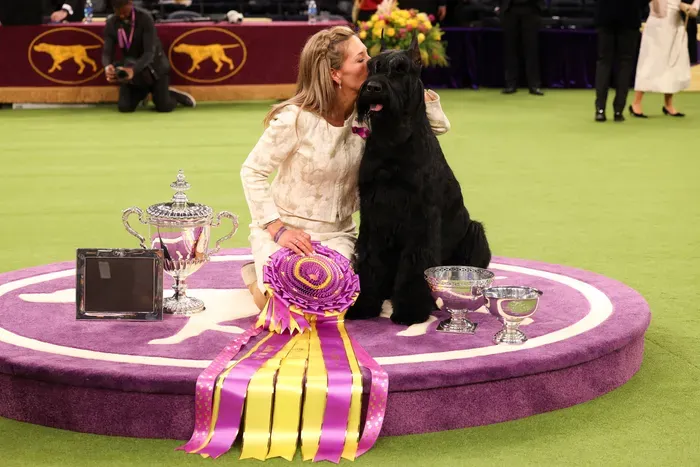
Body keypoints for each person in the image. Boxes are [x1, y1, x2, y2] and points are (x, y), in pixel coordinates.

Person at [239, 26, 451, 310]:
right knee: (290, 304)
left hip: (339, 234)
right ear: (335, 73)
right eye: (361, 59)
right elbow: (252, 171)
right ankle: (257, 273)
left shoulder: (371, 114)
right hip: (288, 231)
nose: (371, 65)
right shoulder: (295, 119)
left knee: (331, 300)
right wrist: (278, 230)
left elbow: (438, 127)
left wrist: (411, 86)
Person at [101, 0, 195, 113]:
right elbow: (107, 52)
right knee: (124, 107)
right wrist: (107, 66)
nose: (122, 16)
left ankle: (172, 95)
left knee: (164, 107)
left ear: (130, 4)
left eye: (124, 12)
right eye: (118, 12)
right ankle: (143, 92)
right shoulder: (112, 22)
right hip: (133, 69)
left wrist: (133, 70)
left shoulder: (145, 18)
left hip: (155, 68)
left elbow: (149, 53)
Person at [629, 0, 699, 118]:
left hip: (678, 24)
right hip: (657, 25)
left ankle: (668, 105)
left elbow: (695, 4)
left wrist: (692, 8)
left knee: (673, 64)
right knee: (650, 62)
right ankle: (636, 103)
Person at [593, 0, 649, 122]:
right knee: (625, 64)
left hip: (605, 16)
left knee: (604, 62)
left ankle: (600, 109)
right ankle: (618, 110)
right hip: (629, 17)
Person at [494, 0, 545, 95]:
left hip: (530, 9)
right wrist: (497, 6)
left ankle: (534, 85)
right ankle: (510, 84)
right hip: (510, 9)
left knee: (531, 49)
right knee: (510, 49)